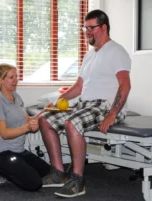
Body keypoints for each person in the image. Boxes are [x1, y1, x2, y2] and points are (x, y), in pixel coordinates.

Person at [38, 9, 131, 198]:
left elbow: (125, 85)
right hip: (87, 105)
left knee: (72, 123)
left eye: (91, 28)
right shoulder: (90, 55)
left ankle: (77, 180)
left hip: (106, 105)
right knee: (45, 119)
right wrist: (57, 101)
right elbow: (79, 86)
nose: (87, 31)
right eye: (85, 28)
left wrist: (112, 114)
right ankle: (58, 172)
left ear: (104, 27)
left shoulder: (116, 51)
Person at [0, 63, 50, 191]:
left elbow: (27, 120)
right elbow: (4, 134)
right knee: (34, 184)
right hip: (1, 152)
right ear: (0, 80)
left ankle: (10, 168)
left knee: (46, 170)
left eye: (16, 76)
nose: (16, 80)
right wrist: (27, 128)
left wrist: (45, 111)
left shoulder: (17, 97)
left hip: (18, 151)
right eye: (11, 77)